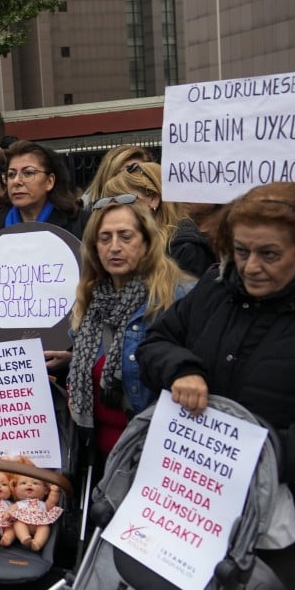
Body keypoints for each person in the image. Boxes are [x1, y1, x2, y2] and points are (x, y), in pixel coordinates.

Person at [137, 182, 295, 590]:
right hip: (194, 502)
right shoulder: (215, 288)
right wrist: (182, 369)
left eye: (269, 254)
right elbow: (156, 342)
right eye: (241, 250)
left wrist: (265, 458)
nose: (250, 267)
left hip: (284, 526)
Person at [66, 197, 191, 465]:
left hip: (152, 458)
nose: (114, 247)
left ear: (146, 243)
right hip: (96, 458)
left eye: (125, 237)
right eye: (104, 238)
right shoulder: (91, 300)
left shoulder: (177, 297)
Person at [101, 161, 215, 277]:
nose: (115, 210)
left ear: (153, 199)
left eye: (124, 200)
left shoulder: (186, 249)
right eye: (110, 203)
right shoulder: (110, 246)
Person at [0, 140, 87, 249]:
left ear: (50, 181)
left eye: (28, 173)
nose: (16, 181)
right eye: (11, 174)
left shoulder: (81, 224)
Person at [82, 144, 154, 207]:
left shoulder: (157, 216)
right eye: (121, 173)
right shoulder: (87, 216)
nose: (131, 179)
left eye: (137, 173)